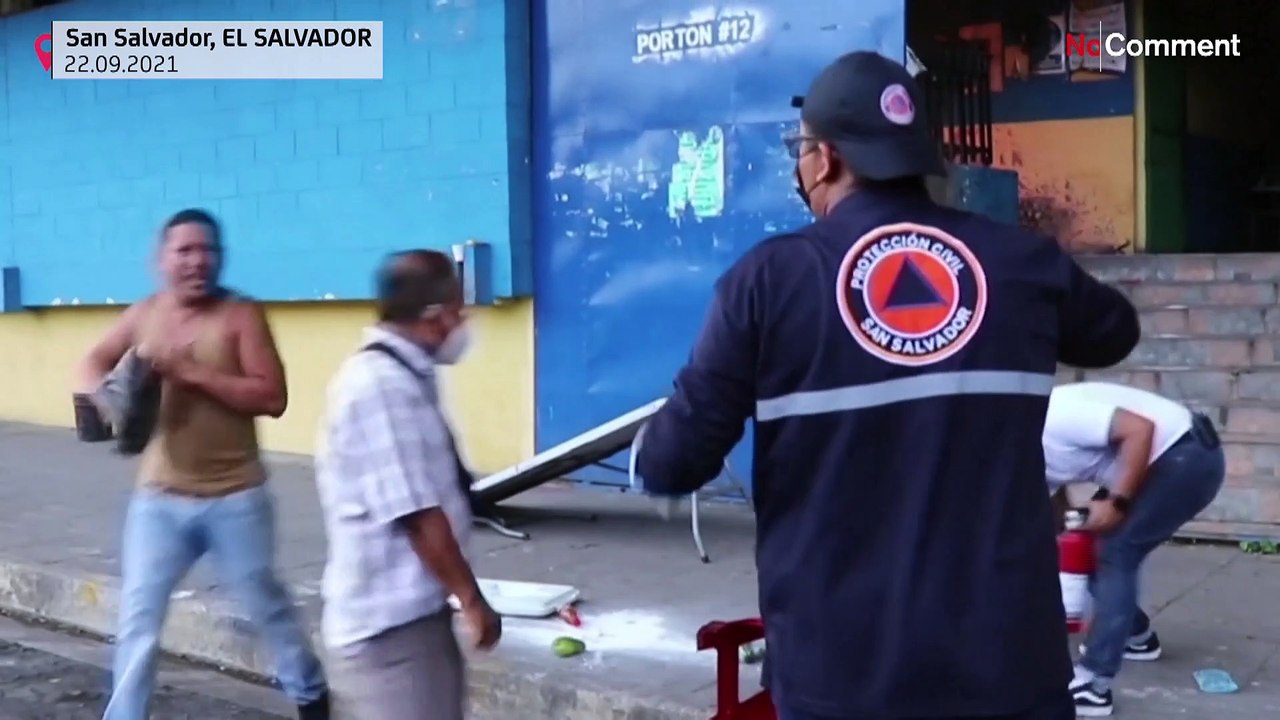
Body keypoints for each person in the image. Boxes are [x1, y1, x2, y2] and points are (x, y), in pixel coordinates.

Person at [634, 51, 1141, 720]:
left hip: (841, 677)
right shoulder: (1023, 263)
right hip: (1010, 668)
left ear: (826, 159)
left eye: (801, 150)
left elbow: (673, 462)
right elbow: (1113, 333)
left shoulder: (769, 282)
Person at [75, 209, 330, 720]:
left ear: (220, 257)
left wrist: (187, 372)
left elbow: (272, 396)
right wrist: (100, 398)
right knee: (139, 622)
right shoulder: (145, 313)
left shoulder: (240, 315)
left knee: (267, 608)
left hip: (236, 498)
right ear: (161, 259)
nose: (197, 261)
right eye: (184, 251)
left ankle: (309, 692)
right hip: (159, 500)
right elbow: (91, 361)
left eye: (206, 250)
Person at [315, 250, 502, 720]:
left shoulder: (405, 375)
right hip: (389, 633)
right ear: (435, 317)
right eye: (459, 310)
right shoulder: (379, 388)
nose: (464, 323)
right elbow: (418, 515)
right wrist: (473, 601)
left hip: (414, 614)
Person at [1044, 381, 1225, 716]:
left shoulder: (1053, 415)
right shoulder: (1013, 457)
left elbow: (1140, 429)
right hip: (1160, 462)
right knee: (1093, 547)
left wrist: (1117, 503)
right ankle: (1137, 636)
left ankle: (1093, 684)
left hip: (1187, 457)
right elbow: (1051, 511)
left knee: (1114, 550)